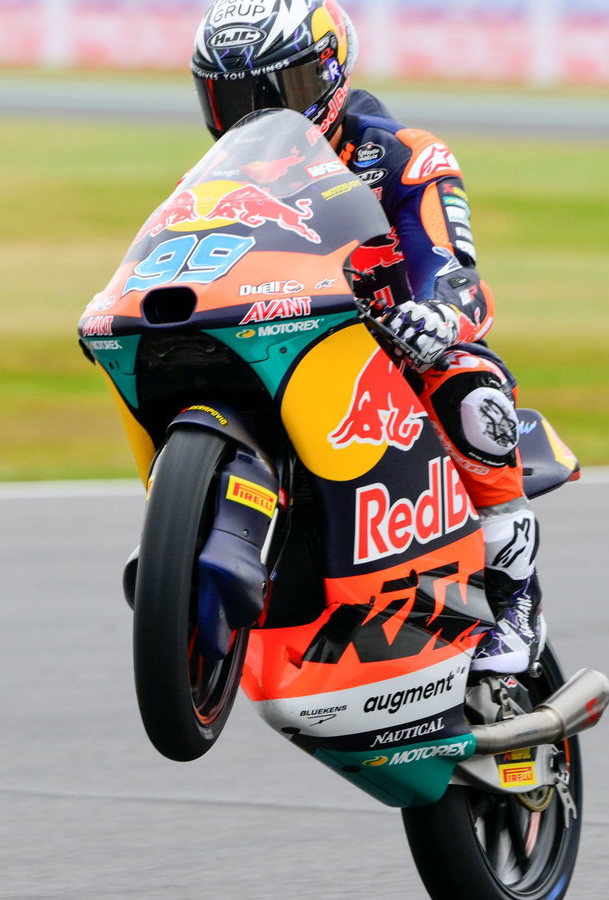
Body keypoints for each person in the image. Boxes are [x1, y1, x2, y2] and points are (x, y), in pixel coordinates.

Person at [190, 0, 544, 675]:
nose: (256, 116)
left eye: (278, 93)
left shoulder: (404, 154)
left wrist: (437, 313)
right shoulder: (215, 182)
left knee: (470, 389)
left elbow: (456, 269)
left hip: (394, 346)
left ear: (328, 78)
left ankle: (516, 598)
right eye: (233, 96)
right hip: (285, 338)